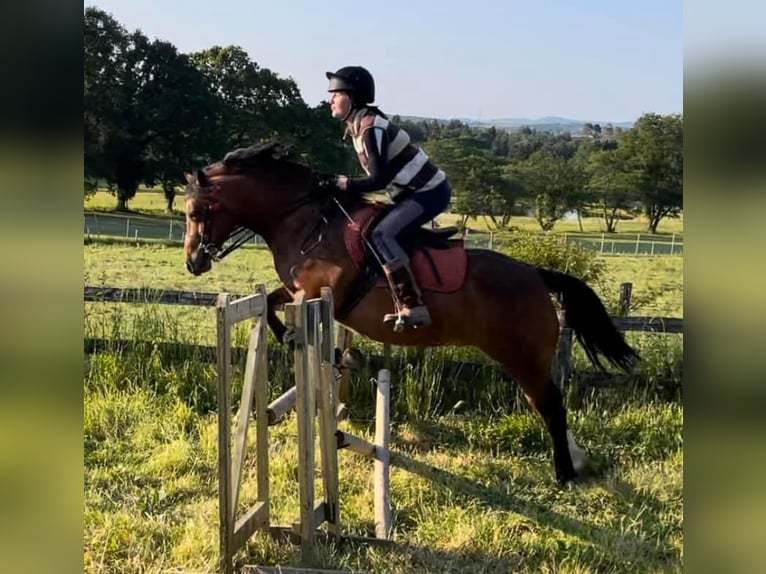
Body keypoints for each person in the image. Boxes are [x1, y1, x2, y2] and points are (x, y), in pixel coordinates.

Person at [325, 65, 452, 329]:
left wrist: (343, 183)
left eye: (335, 93)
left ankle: (413, 305)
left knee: (382, 234)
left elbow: (378, 180)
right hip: (411, 194)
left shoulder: (371, 127)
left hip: (429, 192)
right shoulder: (359, 126)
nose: (330, 99)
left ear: (351, 97)